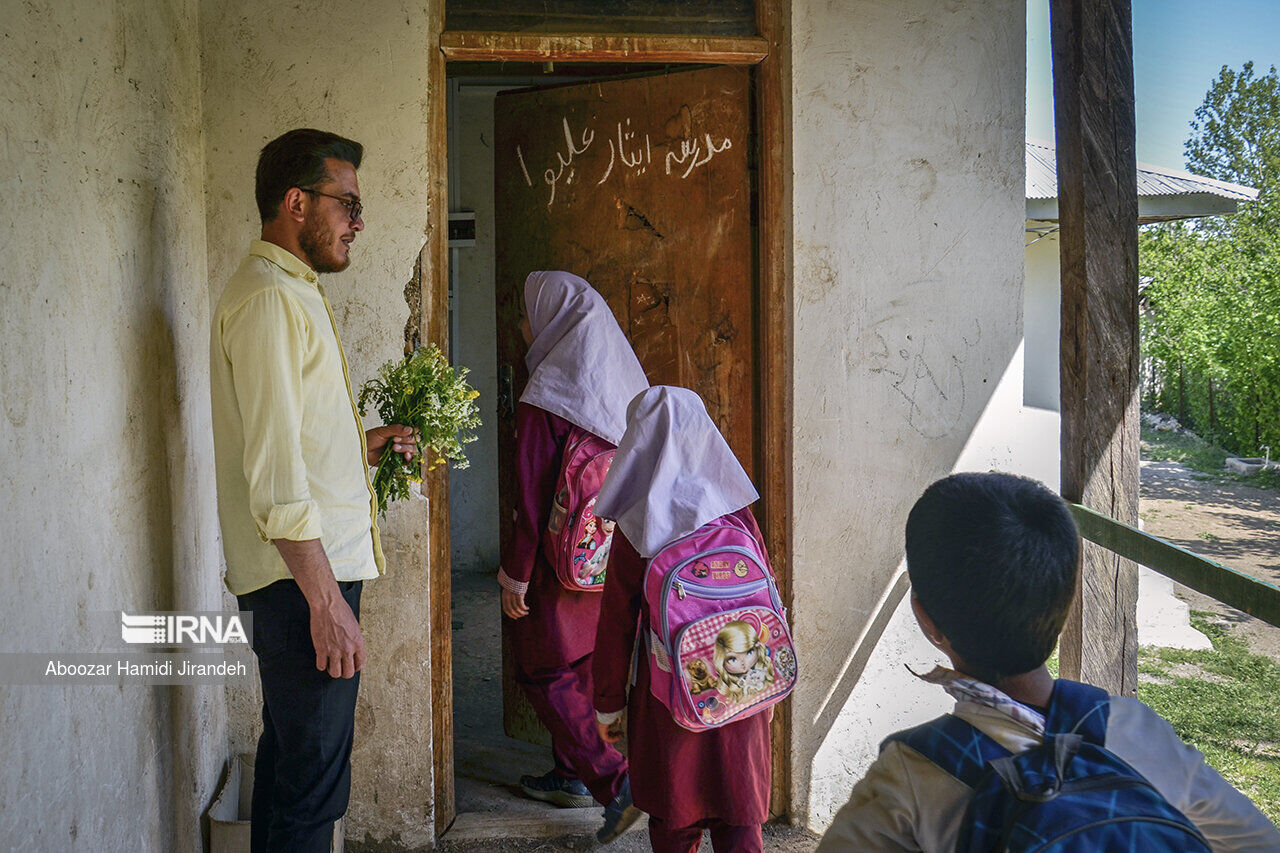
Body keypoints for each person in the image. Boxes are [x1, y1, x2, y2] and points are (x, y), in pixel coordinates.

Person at [818, 472, 1280, 852]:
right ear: (1066, 599)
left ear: (926, 619)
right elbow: (1257, 841)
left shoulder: (911, 775)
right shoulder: (1129, 728)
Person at [210, 128, 417, 852]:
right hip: (303, 582)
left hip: (304, 575)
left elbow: (290, 442)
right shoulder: (268, 299)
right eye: (347, 203)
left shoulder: (287, 289)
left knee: (294, 760)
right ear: (296, 202)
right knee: (314, 782)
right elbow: (272, 477)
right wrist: (325, 602)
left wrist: (361, 446)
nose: (358, 221)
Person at [497, 271, 648, 827]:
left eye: (527, 315)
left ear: (555, 322)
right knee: (582, 660)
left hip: (556, 562)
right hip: (610, 554)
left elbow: (532, 495)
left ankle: (615, 780)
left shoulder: (548, 395)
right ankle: (569, 773)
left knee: (543, 667)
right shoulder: (624, 383)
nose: (521, 326)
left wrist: (515, 573)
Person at [593, 386, 772, 852]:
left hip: (669, 699)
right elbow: (767, 599)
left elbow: (615, 626)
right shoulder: (736, 508)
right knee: (740, 814)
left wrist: (608, 705)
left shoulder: (637, 524)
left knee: (674, 813)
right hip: (743, 686)